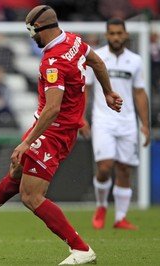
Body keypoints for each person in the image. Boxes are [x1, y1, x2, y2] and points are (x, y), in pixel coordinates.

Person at [0, 5, 123, 265]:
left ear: (40, 29)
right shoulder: (73, 40)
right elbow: (97, 62)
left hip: (54, 131)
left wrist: (27, 141)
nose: (30, 37)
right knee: (17, 169)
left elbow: (53, 108)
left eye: (31, 31)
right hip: (58, 126)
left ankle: (81, 248)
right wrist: (107, 92)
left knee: (31, 196)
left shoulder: (53, 61)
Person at [80, 18, 150, 230]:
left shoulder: (136, 61)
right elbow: (87, 89)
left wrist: (145, 124)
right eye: (112, 33)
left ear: (126, 34)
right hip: (103, 120)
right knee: (105, 167)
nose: (116, 37)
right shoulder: (97, 57)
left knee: (124, 169)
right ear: (107, 35)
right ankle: (101, 205)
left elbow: (139, 92)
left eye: (119, 33)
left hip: (128, 122)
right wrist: (81, 117)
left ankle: (120, 217)